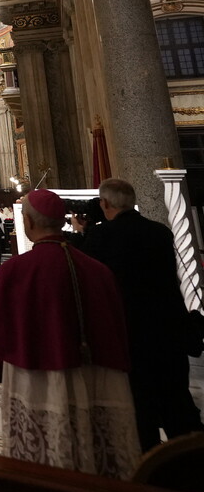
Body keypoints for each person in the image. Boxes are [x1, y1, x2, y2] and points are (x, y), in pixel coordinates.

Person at [0, 188, 140, 478]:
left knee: (45, 450)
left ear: (27, 222)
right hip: (98, 374)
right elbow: (118, 319)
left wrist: (17, 347)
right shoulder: (97, 269)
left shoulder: (17, 269)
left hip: (39, 374)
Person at [73, 177, 204, 451]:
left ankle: (148, 473)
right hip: (169, 328)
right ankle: (192, 462)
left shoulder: (103, 236)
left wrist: (85, 232)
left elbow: (88, 273)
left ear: (105, 203)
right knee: (177, 401)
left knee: (140, 406)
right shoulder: (160, 232)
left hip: (131, 332)